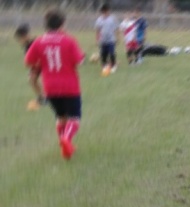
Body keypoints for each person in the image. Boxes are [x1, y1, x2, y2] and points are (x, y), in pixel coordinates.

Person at [24, 8, 85, 160]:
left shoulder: (39, 41)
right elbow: (80, 61)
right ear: (62, 24)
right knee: (74, 118)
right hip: (70, 86)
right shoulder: (69, 40)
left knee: (60, 117)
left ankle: (63, 144)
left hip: (50, 87)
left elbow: (28, 62)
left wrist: (40, 65)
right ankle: (66, 140)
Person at [14, 23, 47, 111]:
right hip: (36, 65)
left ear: (26, 35)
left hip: (43, 63)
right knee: (32, 80)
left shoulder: (35, 42)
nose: (20, 41)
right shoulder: (26, 44)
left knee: (45, 80)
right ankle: (42, 97)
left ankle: (51, 97)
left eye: (20, 39)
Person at [95, 3, 120, 75]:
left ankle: (113, 66)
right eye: (104, 12)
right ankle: (104, 66)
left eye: (107, 11)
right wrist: (97, 39)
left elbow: (117, 28)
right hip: (103, 40)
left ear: (109, 11)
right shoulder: (99, 20)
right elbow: (98, 30)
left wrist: (118, 38)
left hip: (111, 39)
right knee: (103, 54)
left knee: (112, 53)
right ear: (102, 12)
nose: (105, 13)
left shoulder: (113, 19)